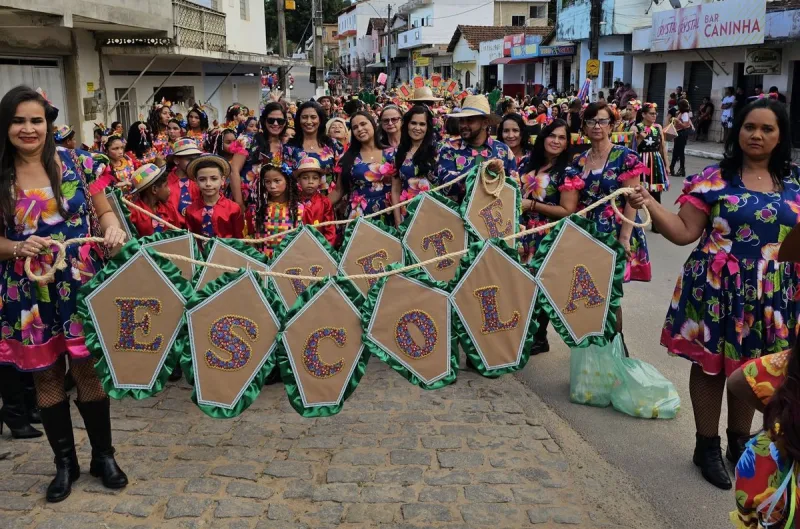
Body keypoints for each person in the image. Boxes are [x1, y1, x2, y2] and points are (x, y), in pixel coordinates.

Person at [627, 98, 799, 490]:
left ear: (781, 136)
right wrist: (650, 203)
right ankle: (706, 445)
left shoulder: (795, 184)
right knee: (710, 366)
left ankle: (740, 442)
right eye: (749, 127)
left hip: (772, 294)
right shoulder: (713, 180)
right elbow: (684, 232)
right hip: (716, 289)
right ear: (737, 132)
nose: (756, 135)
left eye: (767, 129)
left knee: (753, 364)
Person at [0, 85, 128, 502]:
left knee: (88, 372)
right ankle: (64, 464)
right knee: (48, 376)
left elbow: (104, 209)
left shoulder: (79, 162)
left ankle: (103, 457)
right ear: (6, 126)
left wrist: (111, 227)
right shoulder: (0, 176)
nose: (28, 128)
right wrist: (17, 247)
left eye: (36, 120)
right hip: (29, 292)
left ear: (49, 123)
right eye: (18, 120)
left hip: (80, 283)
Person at [566, 102, 650, 325]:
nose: (597, 126)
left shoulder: (626, 157)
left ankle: (616, 347)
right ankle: (595, 346)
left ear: (611, 126)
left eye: (603, 121)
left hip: (615, 229)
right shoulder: (579, 160)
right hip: (588, 232)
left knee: (611, 294)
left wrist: (624, 238)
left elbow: (632, 200)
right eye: (591, 121)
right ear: (584, 127)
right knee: (591, 292)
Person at [518, 119, 580, 352]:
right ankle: (523, 332)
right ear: (543, 138)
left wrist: (532, 205)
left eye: (562, 138)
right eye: (552, 135)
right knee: (521, 283)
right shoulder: (527, 163)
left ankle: (539, 336)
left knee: (539, 286)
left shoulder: (568, 172)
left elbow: (567, 211)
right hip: (522, 232)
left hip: (547, 235)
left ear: (567, 144)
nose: (555, 141)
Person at [436, 94, 516, 204]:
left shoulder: (503, 151)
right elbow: (445, 186)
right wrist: (485, 173)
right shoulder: (449, 149)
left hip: (494, 217)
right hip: (457, 217)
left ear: (485, 123)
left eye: (470, 120)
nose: (463, 125)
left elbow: (515, 189)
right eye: (461, 120)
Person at [329, 111, 396, 222]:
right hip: (359, 215)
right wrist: (313, 207)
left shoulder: (392, 153)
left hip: (389, 213)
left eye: (363, 124)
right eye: (355, 127)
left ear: (373, 124)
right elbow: (338, 191)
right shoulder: (347, 158)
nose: (359, 129)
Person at [392, 105, 438, 226]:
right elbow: (396, 189)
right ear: (407, 124)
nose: (417, 128)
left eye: (422, 124)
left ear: (428, 127)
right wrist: (398, 220)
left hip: (434, 212)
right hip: (407, 214)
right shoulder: (399, 153)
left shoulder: (438, 151)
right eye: (413, 123)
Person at [286, 101, 343, 195]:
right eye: (304, 117)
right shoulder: (289, 147)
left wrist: (325, 205)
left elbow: (341, 182)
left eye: (313, 117)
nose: (308, 121)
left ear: (320, 120)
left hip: (329, 203)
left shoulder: (334, 145)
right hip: (298, 205)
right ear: (298, 120)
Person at [248, 162, 301, 258]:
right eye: (268, 182)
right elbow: (250, 238)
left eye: (277, 181)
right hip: (262, 261)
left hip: (290, 261)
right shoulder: (257, 210)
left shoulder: (299, 210)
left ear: (287, 181)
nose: (272, 186)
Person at [184, 155, 243, 240]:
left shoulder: (233, 208)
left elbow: (239, 239)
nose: (208, 184)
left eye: (214, 179)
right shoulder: (190, 210)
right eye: (202, 179)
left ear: (222, 180)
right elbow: (189, 239)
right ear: (196, 182)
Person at [126, 163, 186, 237]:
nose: (169, 190)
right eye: (166, 185)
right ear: (154, 189)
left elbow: (178, 235)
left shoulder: (169, 208)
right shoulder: (133, 214)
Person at [634, 103, 669, 208]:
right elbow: (632, 150)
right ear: (644, 115)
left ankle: (656, 221)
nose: (654, 116)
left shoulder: (658, 128)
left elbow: (662, 148)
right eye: (651, 113)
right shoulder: (636, 128)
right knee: (639, 193)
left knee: (656, 193)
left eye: (655, 113)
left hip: (656, 162)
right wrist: (640, 138)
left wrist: (667, 165)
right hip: (642, 162)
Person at [295, 157, 336, 246]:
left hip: (320, 246)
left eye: (315, 178)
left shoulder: (325, 202)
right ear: (298, 180)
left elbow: (330, 229)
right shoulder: (294, 201)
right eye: (305, 178)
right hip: (298, 246)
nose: (310, 182)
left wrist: (326, 248)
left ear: (320, 180)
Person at [205, 127, 247, 209]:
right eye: (228, 142)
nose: (233, 145)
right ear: (219, 143)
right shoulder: (215, 161)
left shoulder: (241, 158)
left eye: (235, 141)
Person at [166, 138, 202, 217]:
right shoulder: (165, 183)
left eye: (196, 159)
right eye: (189, 159)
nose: (193, 163)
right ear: (176, 160)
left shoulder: (200, 181)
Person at [670, 99, 692, 178]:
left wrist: (678, 122)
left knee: (680, 152)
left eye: (679, 106)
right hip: (678, 133)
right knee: (676, 151)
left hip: (682, 133)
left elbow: (685, 125)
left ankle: (681, 169)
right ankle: (672, 167)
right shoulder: (680, 113)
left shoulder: (685, 114)